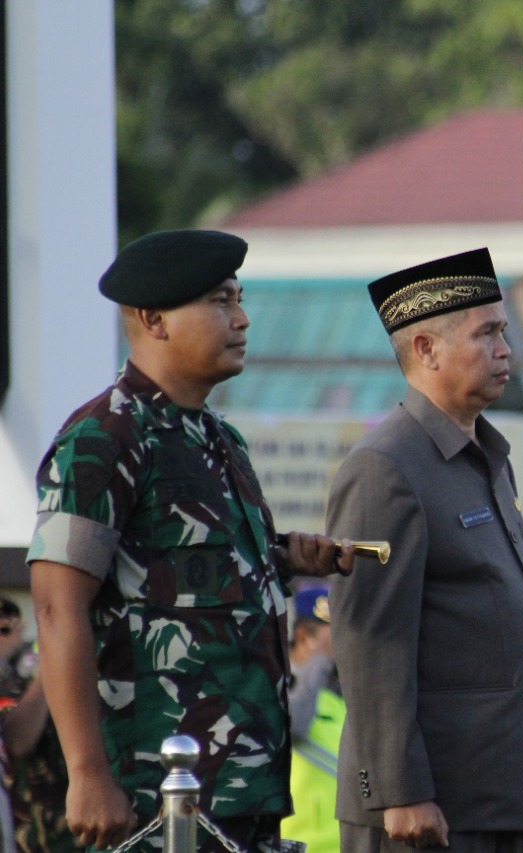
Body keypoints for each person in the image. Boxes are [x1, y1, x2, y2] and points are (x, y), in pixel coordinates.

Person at [25, 229, 355, 853]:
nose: (242, 318)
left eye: (239, 298)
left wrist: (281, 558)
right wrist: (89, 775)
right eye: (220, 301)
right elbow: (55, 606)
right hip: (154, 796)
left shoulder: (220, 440)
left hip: (243, 789)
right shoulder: (103, 440)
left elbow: (188, 575)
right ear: (154, 319)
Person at [327, 247, 523, 853]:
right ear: (426, 350)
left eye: (504, 332)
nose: (505, 349)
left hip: (496, 795)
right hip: (425, 807)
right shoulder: (386, 467)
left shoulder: (486, 458)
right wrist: (397, 789)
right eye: (485, 333)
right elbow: (369, 641)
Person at [0, 598, 79, 852]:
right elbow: (17, 742)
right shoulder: (15, 678)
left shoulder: (29, 662)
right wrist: (51, 667)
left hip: (70, 830)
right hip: (30, 835)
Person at [281, 585, 343, 853]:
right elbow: (296, 724)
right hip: (297, 843)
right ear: (304, 637)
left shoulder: (335, 698)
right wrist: (319, 661)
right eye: (336, 635)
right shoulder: (280, 687)